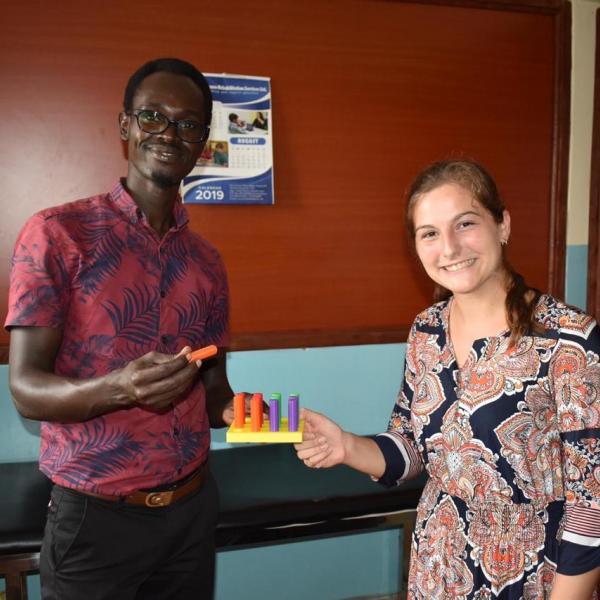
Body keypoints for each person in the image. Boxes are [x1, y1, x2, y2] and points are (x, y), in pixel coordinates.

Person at [295, 160, 600, 599]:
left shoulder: (568, 340)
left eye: (466, 223)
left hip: (537, 578)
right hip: (439, 568)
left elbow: (591, 507)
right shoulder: (426, 331)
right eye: (430, 233)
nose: (450, 248)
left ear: (503, 224)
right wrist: (346, 446)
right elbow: (411, 450)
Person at [5, 57, 240, 600]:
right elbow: (26, 390)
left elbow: (213, 395)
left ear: (202, 141)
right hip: (95, 521)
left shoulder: (207, 262)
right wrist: (119, 388)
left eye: (187, 124)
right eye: (152, 116)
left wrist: (287, 421)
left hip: (191, 512)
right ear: (125, 126)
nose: (168, 133)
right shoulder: (58, 235)